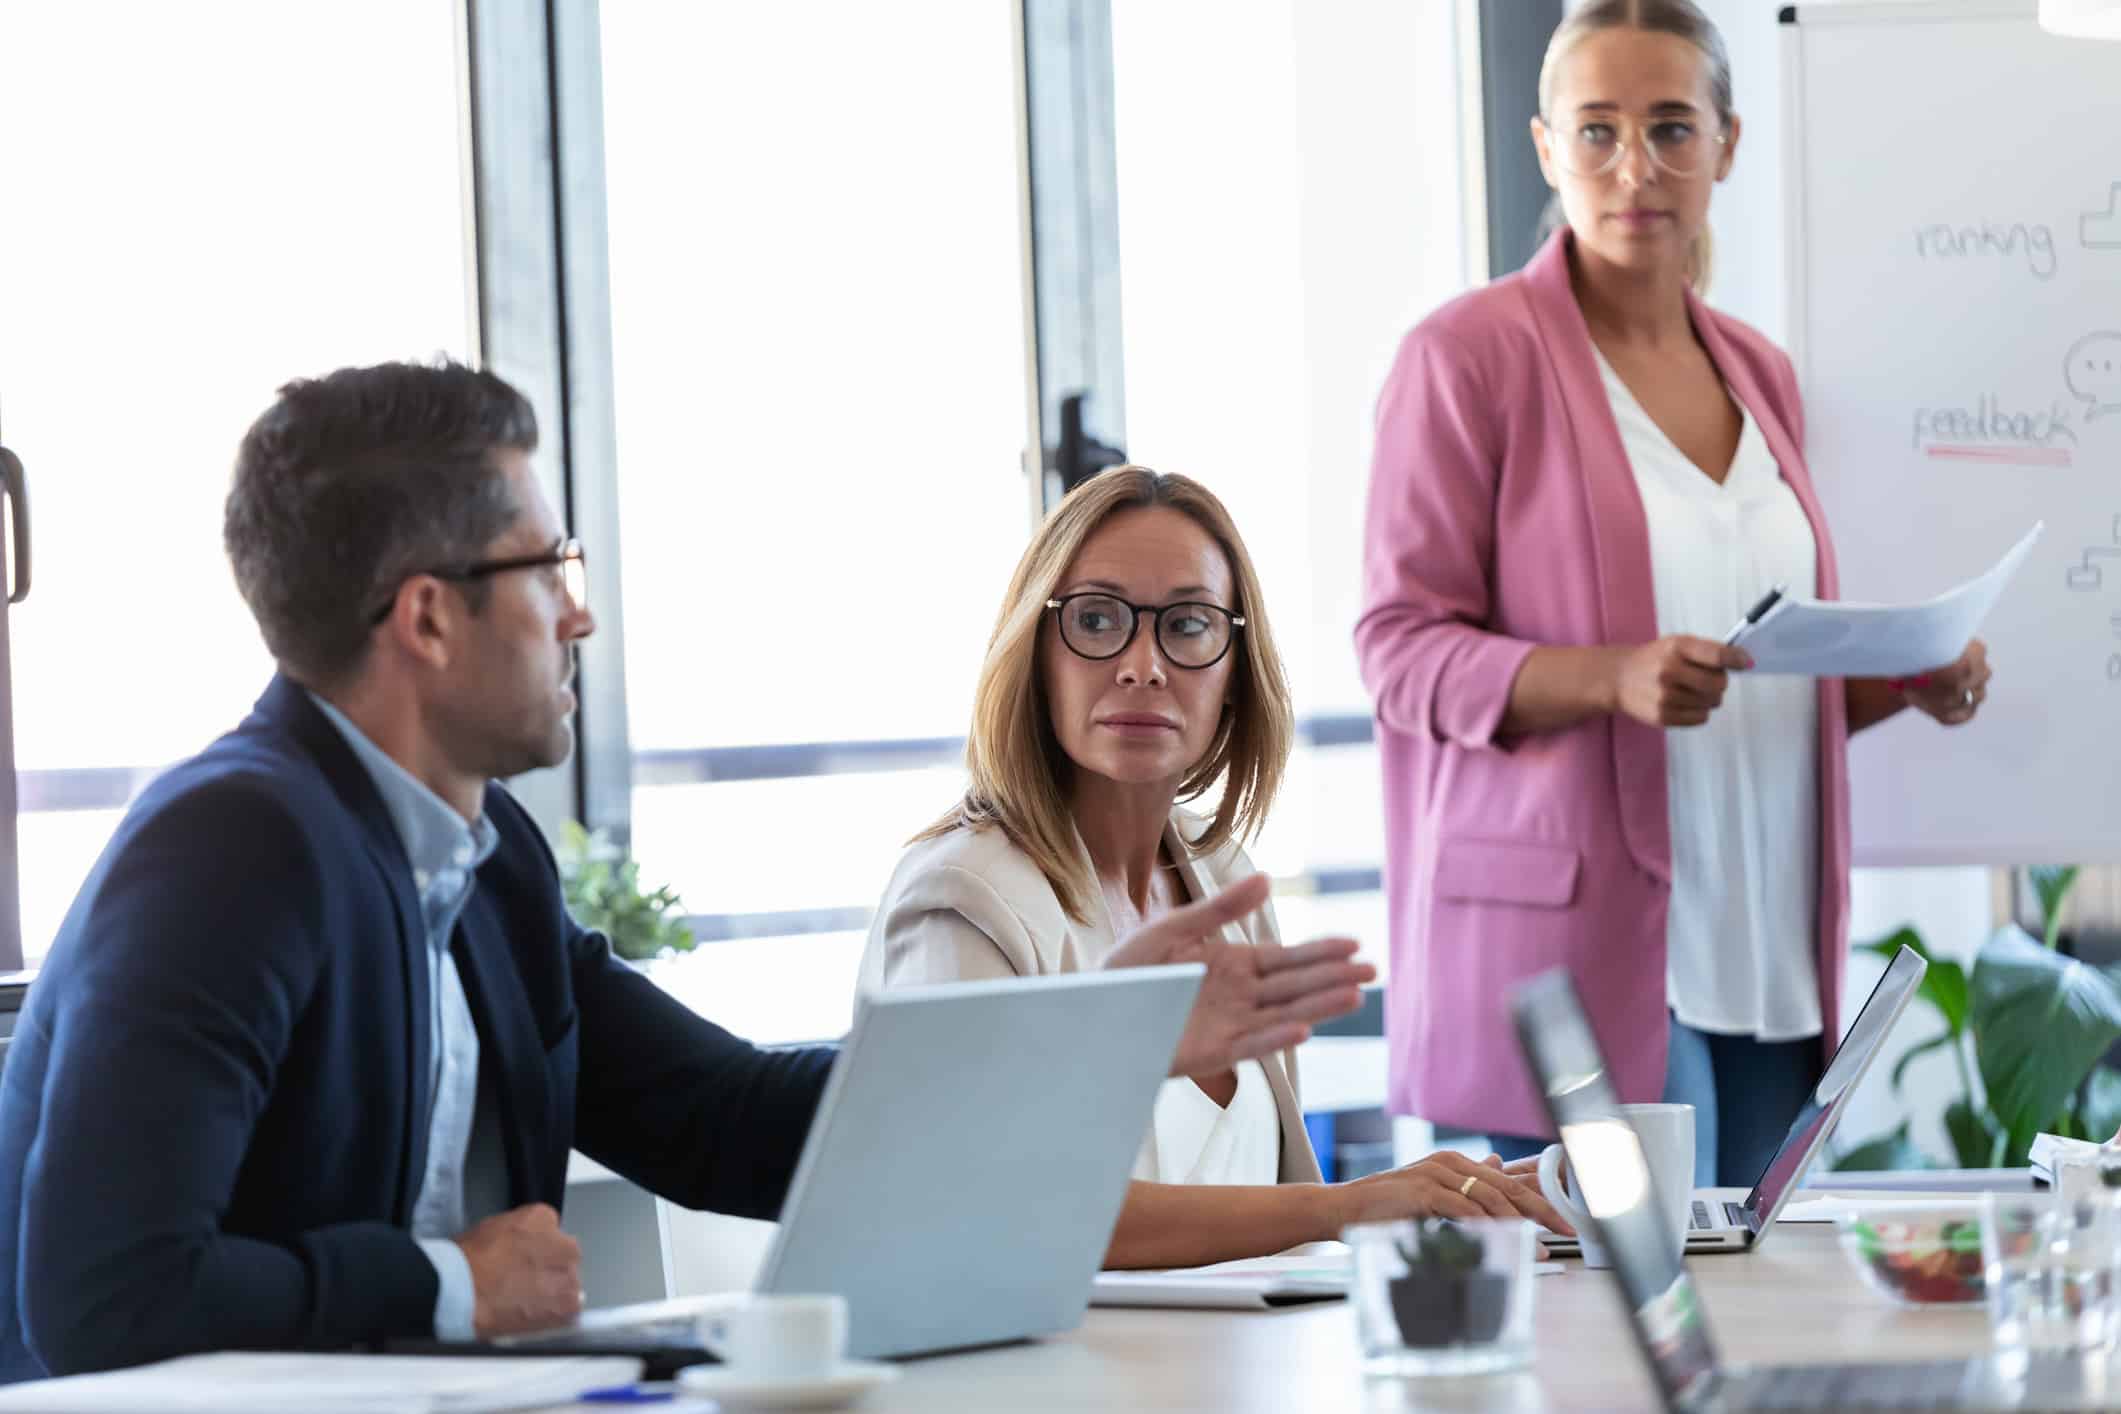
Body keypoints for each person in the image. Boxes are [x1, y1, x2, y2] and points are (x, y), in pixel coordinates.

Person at [0, 362, 1371, 1382]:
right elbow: (104, 1299)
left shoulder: (488, 868)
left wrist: (1094, 1039)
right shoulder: (233, 850)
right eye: (548, 568)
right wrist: (451, 1283)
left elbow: (722, 1114)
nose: (579, 611)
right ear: (426, 616)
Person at [1354, 0, 1993, 1189]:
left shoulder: (1762, 373)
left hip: (1768, 948)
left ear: (1727, 146)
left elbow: (1763, 687)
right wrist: (1612, 675)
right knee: (1621, 1342)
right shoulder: (1465, 358)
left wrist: (1909, 678)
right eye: (1596, 131)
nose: (1634, 167)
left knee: (1743, 1326)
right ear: (1547, 148)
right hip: (1579, 947)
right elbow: (1396, 651)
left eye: (1669, 128)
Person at [861, 466, 1570, 1271]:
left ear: (1234, 673)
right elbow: (986, 1211)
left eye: (1187, 625)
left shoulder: (1220, 875)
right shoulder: (965, 898)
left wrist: (1456, 1196)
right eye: (1095, 620)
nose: (1140, 665)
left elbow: (1262, 1224)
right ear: (1034, 653)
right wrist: (1351, 1205)